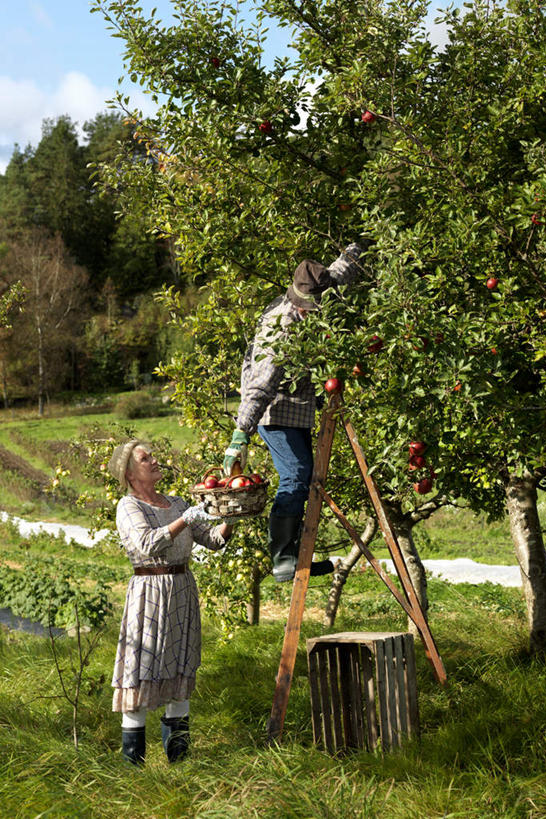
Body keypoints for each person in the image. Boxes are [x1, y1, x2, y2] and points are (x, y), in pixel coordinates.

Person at [223, 243, 364, 582]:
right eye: (307, 308)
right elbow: (259, 386)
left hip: (298, 406)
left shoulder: (324, 284)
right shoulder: (280, 328)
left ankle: (299, 551)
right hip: (271, 408)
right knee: (297, 474)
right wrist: (240, 434)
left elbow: (347, 265)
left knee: (308, 475)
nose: (310, 312)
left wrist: (366, 241)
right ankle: (283, 558)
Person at [107, 439, 234, 765]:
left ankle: (180, 763)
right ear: (130, 473)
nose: (154, 460)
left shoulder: (176, 502)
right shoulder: (129, 506)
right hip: (149, 593)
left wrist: (233, 512)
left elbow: (215, 540)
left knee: (179, 666)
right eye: (145, 458)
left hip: (181, 591)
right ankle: (133, 766)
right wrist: (186, 520)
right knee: (141, 667)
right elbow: (148, 544)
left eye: (152, 455)